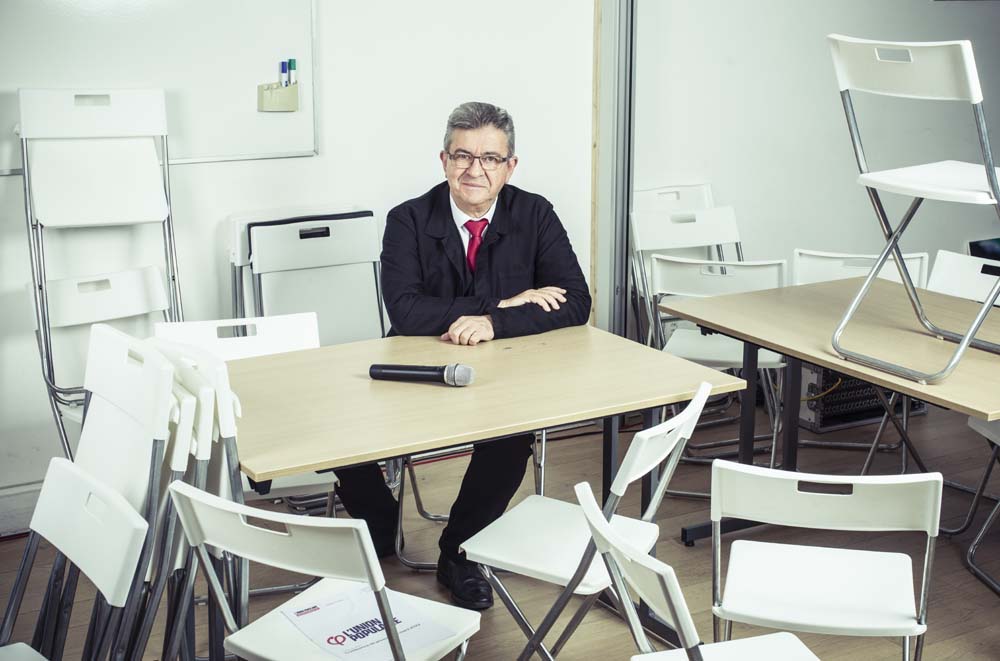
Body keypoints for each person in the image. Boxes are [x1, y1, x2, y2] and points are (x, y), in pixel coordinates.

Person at [335, 101, 591, 610]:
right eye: (463, 156)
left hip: (503, 375)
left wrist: (493, 324)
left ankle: (461, 552)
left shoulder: (534, 212)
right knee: (347, 429)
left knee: (509, 441)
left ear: (510, 166)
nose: (475, 170)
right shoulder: (408, 219)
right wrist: (504, 304)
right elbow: (407, 312)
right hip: (415, 365)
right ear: (443, 160)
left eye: (491, 158)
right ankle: (382, 525)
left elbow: (575, 301)